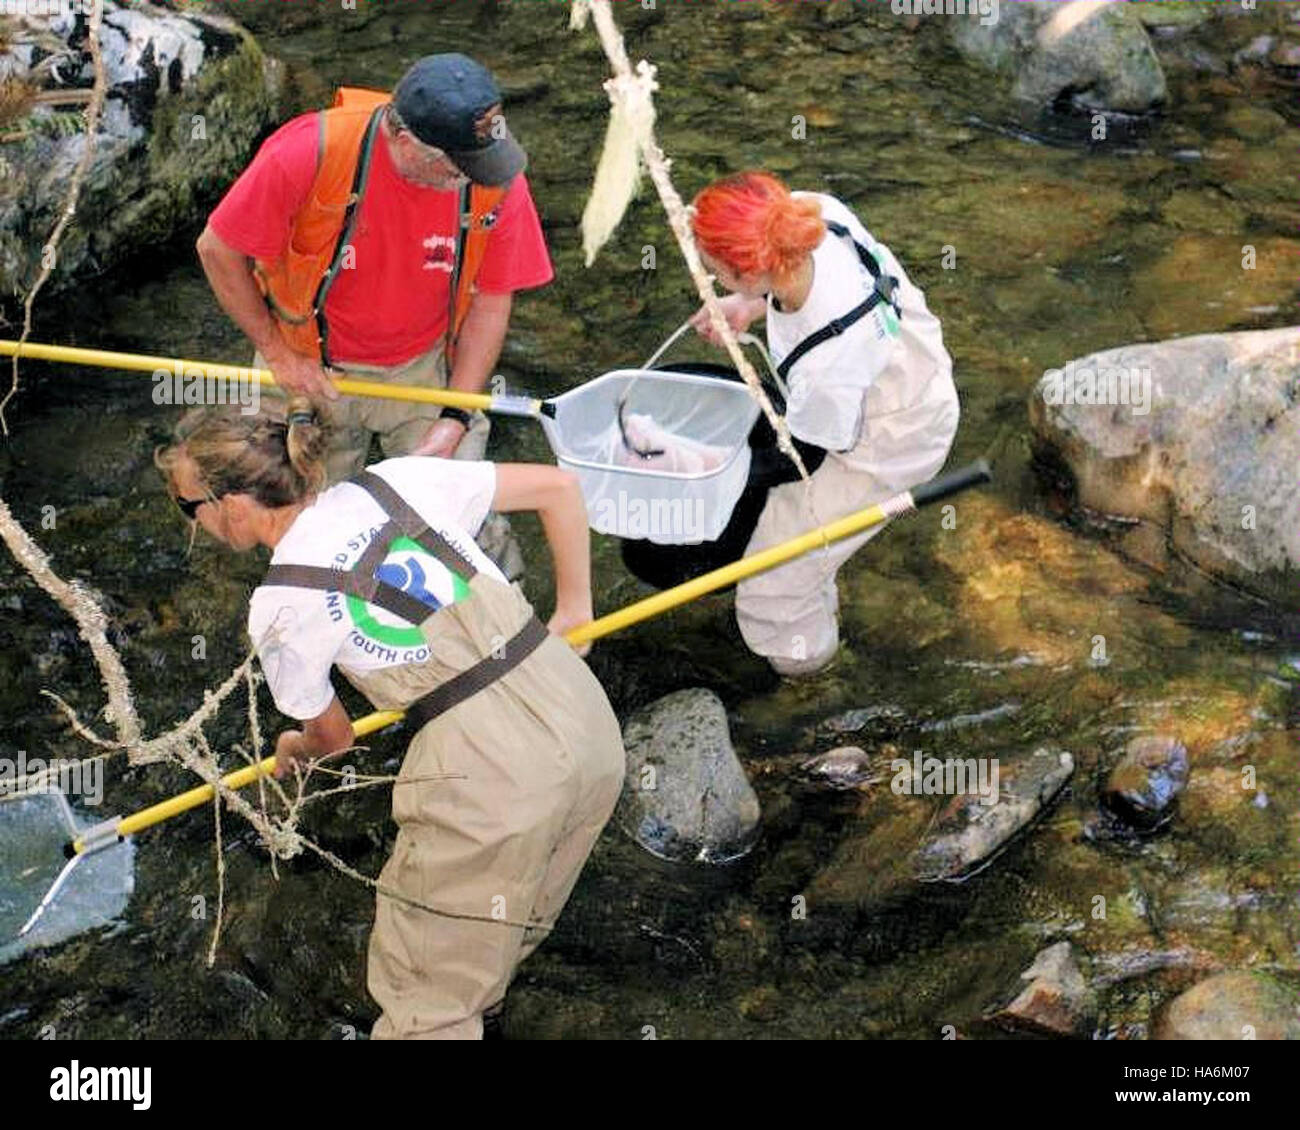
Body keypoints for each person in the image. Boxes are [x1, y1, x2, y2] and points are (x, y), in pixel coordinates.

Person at [155, 402, 625, 1040]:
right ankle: (478, 1003)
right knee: (510, 917)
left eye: (190, 508)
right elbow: (559, 486)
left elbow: (335, 737)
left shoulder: (281, 602)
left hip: (494, 776)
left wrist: (295, 747)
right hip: (583, 715)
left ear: (233, 504)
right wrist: (573, 611)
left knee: (422, 995)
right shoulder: (397, 479)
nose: (194, 523)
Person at [622, 171, 960, 677]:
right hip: (910, 363)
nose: (712, 281)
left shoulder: (826, 364)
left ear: (748, 271)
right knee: (791, 531)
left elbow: (803, 457)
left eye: (718, 275)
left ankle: (814, 680)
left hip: (890, 439)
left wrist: (705, 466)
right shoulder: (805, 212)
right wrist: (749, 304)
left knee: (775, 583)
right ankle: (824, 584)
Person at [196, 53, 553, 487]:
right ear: (404, 139)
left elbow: (492, 302)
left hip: (425, 368)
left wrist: (457, 413)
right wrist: (276, 353)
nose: (478, 178)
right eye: (462, 166)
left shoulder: (496, 176)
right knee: (304, 521)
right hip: (308, 364)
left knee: (458, 511)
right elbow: (218, 249)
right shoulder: (309, 151)